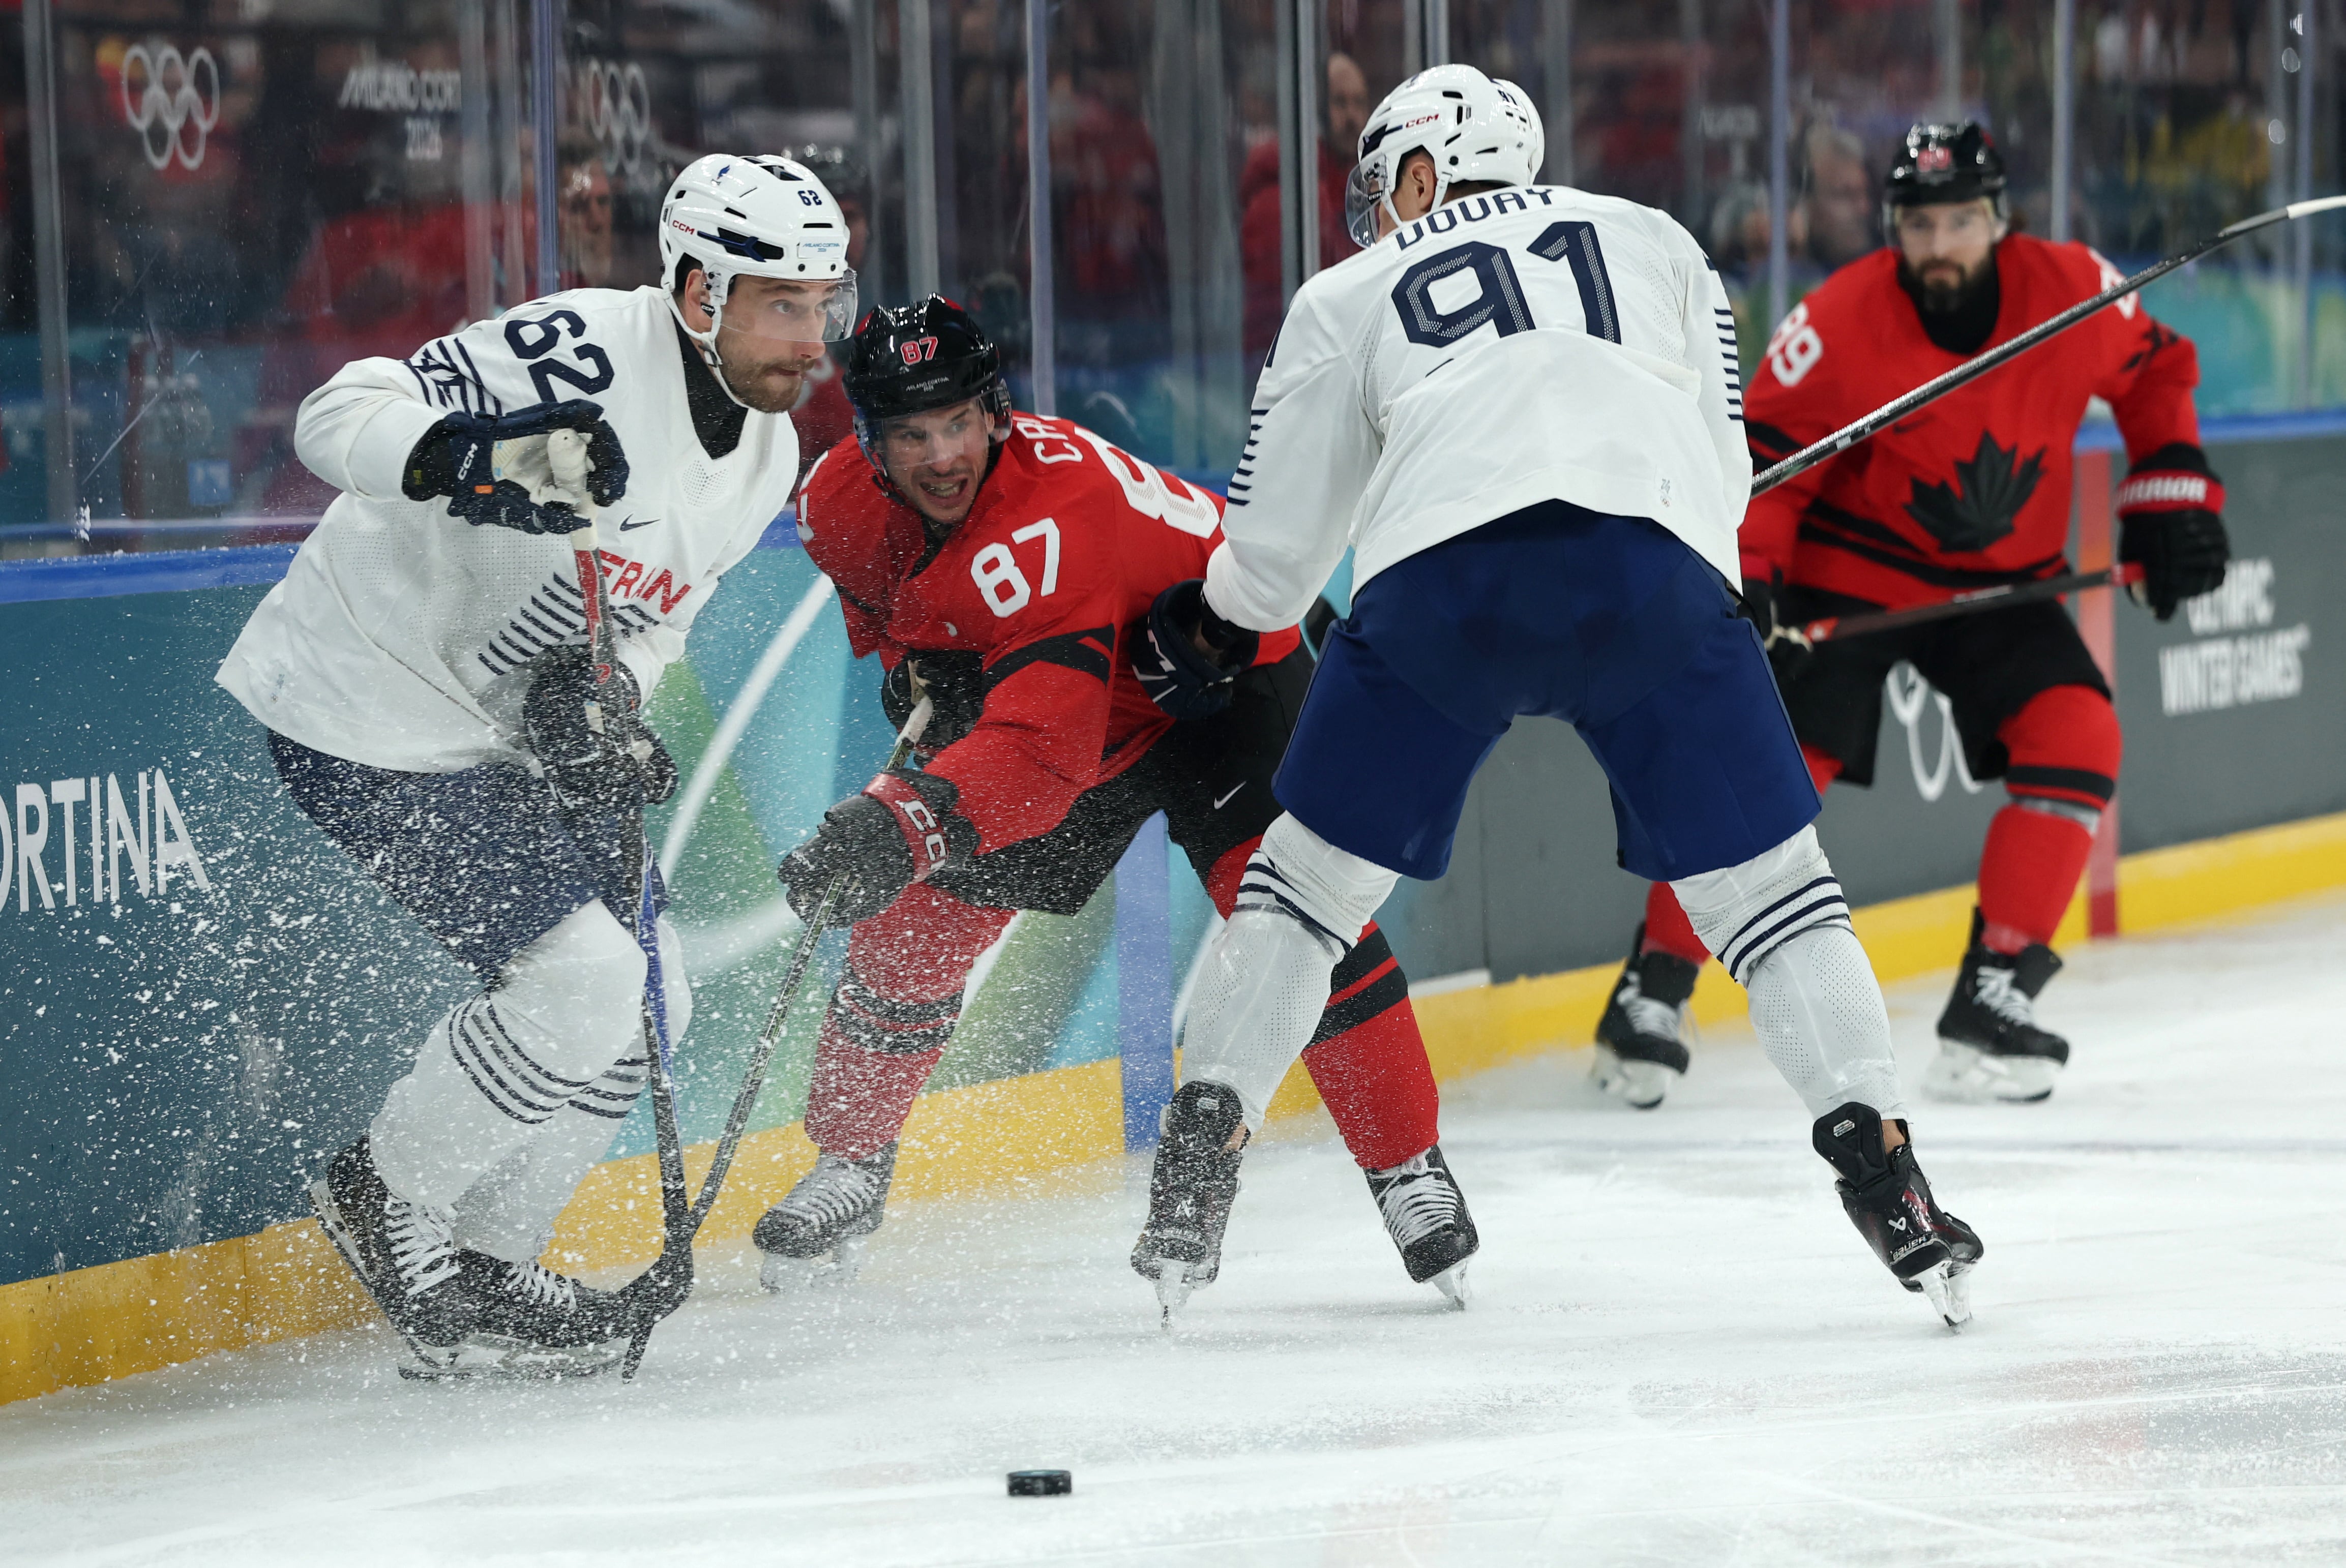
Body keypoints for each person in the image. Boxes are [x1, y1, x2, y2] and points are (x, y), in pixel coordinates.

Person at [1131, 66, 1984, 1329]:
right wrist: (1715, 595)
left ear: (1421, 172)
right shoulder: (1660, 241)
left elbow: (1267, 568)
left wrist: (1209, 623)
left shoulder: (1345, 292)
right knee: (1778, 903)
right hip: (1650, 581)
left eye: (1385, 187)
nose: (1377, 213)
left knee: (1302, 894)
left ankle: (1201, 1158)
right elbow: (1724, 476)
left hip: (1440, 589)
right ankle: (1888, 1178)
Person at [215, 153, 858, 1375]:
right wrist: (476, 455)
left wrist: (608, 692)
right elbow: (334, 415)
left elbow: (657, 616)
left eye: (823, 301)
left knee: (652, 984)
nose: (811, 334)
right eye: (784, 302)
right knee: (580, 979)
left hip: (502, 732)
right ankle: (384, 1196)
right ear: (695, 290)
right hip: (366, 699)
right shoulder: (578, 349)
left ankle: (489, 1262)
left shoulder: (768, 452)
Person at [753, 296, 1478, 1306]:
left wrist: (896, 822)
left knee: (1299, 922)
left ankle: (1405, 1165)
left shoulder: (1051, 521)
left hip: (1222, 680)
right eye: (910, 433)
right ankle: (850, 1163)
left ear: (996, 416)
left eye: (957, 422)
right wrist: (918, 670)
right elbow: (892, 619)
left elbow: (1041, 758)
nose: (938, 455)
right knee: (917, 921)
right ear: (869, 443)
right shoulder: (836, 501)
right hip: (1068, 694)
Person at [1595, 123, 2228, 1109]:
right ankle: (1651, 990)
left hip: (1997, 584)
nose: (1939, 245)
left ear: (1999, 219)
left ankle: (1992, 998)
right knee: (1764, 779)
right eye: (1919, 224)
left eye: (1960, 221)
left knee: (2077, 736)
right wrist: (1749, 577)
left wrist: (2169, 492)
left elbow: (2156, 373)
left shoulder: (2070, 287)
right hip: (1849, 577)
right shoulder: (1836, 322)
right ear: (1892, 226)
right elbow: (1764, 457)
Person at [1240, 51, 1373, 360]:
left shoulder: (1371, 189)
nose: (1352, 116)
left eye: (1360, 103)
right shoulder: (1286, 195)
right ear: (1314, 110)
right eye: (1340, 103)